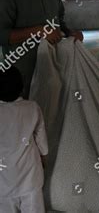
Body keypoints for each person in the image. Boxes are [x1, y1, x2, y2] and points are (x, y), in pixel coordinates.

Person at [0, 0, 84, 98]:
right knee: (28, 115)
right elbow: (2, 35)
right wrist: (39, 31)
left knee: (54, 109)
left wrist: (71, 33)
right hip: (23, 71)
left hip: (53, 66)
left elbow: (60, 22)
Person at [0, 66, 48, 213]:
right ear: (21, 87)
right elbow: (41, 140)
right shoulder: (32, 108)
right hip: (30, 178)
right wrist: (44, 160)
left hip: (3, 182)